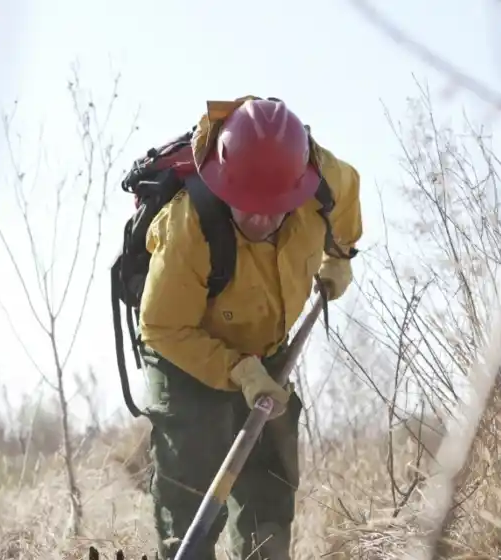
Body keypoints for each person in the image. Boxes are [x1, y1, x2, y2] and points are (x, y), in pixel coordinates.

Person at [136, 96, 363, 560]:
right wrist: (238, 371)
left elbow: (348, 201)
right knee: (191, 493)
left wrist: (338, 257)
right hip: (187, 352)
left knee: (268, 486)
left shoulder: (324, 179)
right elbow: (161, 327)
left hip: (267, 345)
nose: (260, 218)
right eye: (248, 205)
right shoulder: (187, 228)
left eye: (274, 205)